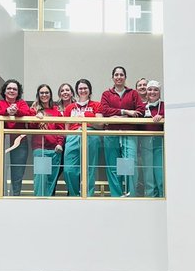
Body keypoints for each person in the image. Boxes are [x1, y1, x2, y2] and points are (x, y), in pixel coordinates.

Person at [98, 66, 145, 197]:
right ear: (112, 77)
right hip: (111, 134)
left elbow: (140, 111)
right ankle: (116, 195)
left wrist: (117, 117)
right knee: (112, 166)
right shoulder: (106, 94)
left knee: (130, 164)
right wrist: (125, 112)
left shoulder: (133, 93)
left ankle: (131, 194)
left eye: (121, 75)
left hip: (129, 133)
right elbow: (105, 110)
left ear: (125, 77)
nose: (119, 77)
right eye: (116, 75)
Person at [62, 78, 101, 197]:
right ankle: (74, 195)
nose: (83, 90)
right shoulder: (70, 107)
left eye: (85, 88)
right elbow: (66, 128)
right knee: (69, 170)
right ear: (76, 91)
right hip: (73, 136)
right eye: (80, 88)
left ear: (89, 90)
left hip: (90, 134)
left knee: (89, 168)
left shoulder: (96, 105)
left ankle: (88, 195)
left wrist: (87, 116)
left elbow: (100, 124)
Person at [0, 79, 33, 197]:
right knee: (2, 170)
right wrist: (6, 111)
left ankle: (15, 197)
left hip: (20, 143)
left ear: (18, 92)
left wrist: (16, 111)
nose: (11, 91)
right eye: (9, 88)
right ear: (4, 91)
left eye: (14, 89)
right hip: (3, 142)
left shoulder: (21, 103)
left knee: (17, 172)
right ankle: (1, 196)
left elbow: (27, 113)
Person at [31, 84, 64, 197]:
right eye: (42, 93)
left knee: (51, 180)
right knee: (41, 179)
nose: (44, 95)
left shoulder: (56, 111)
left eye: (46, 92)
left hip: (55, 150)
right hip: (41, 149)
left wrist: (60, 144)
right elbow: (30, 127)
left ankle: (48, 204)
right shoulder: (34, 109)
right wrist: (35, 115)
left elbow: (61, 129)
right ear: (38, 95)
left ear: (50, 95)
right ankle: (39, 205)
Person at [140, 81, 165, 198]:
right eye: (150, 89)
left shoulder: (165, 106)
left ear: (159, 92)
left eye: (155, 90)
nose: (152, 92)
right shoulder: (142, 107)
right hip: (146, 143)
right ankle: (151, 198)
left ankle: (162, 196)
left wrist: (163, 117)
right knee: (148, 174)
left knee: (160, 173)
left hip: (160, 143)